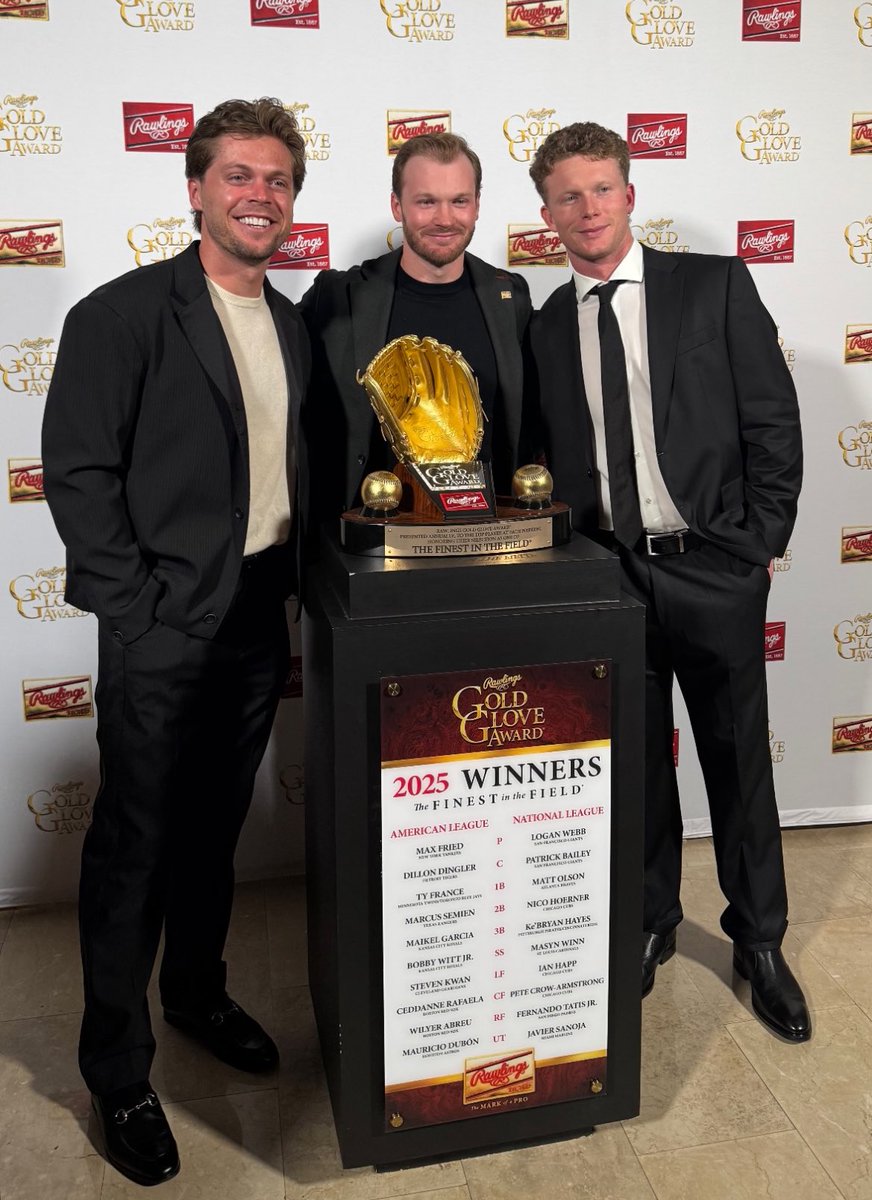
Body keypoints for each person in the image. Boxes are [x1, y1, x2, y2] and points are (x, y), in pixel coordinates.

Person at [42, 97, 311, 1186]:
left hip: (256, 617)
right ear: (195, 188)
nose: (261, 196)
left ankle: (196, 996)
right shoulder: (122, 314)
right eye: (239, 176)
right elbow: (79, 474)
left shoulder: (290, 320)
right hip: (160, 623)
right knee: (134, 847)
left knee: (212, 832)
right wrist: (135, 614)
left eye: (279, 179)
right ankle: (117, 1069)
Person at [527, 122, 810, 1043]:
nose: (588, 208)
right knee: (634, 767)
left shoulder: (713, 285)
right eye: (568, 195)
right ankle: (649, 921)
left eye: (602, 188)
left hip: (713, 567)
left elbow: (773, 419)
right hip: (611, 575)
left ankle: (759, 939)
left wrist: (758, 541)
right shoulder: (542, 326)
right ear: (546, 216)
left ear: (630, 195)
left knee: (736, 759)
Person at [299, 132, 532, 520]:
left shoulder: (511, 299)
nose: (444, 218)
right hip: (369, 546)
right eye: (426, 202)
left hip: (488, 538)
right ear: (397, 205)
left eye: (459, 201)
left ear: (476, 206)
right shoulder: (338, 297)